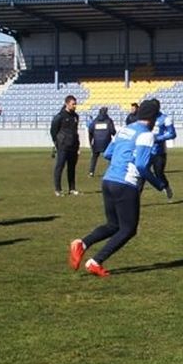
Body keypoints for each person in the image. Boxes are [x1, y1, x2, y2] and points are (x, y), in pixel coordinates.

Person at [68, 100, 165, 277]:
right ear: (153, 117)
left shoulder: (125, 129)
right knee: (128, 229)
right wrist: (159, 184)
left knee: (113, 225)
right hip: (125, 184)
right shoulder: (146, 134)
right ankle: (95, 261)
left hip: (108, 180)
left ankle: (81, 244)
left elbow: (108, 153)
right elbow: (142, 166)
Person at [50, 94, 81, 196]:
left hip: (73, 146)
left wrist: (78, 145)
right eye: (73, 104)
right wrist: (57, 142)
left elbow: (75, 132)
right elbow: (53, 131)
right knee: (60, 167)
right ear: (67, 104)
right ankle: (58, 189)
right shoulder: (60, 116)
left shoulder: (76, 116)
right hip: (63, 146)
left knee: (72, 168)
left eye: (75, 104)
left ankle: (72, 188)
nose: (75, 106)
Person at [149, 100, 176, 200]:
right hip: (146, 150)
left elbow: (172, 134)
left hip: (159, 152)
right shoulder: (146, 118)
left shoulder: (165, 119)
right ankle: (136, 195)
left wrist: (158, 138)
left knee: (159, 173)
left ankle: (166, 187)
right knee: (141, 173)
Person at [87, 107, 117, 177]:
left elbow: (90, 131)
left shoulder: (95, 121)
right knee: (110, 157)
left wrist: (90, 142)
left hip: (96, 143)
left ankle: (91, 172)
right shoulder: (109, 121)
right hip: (106, 142)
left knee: (94, 157)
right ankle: (110, 172)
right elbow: (113, 131)